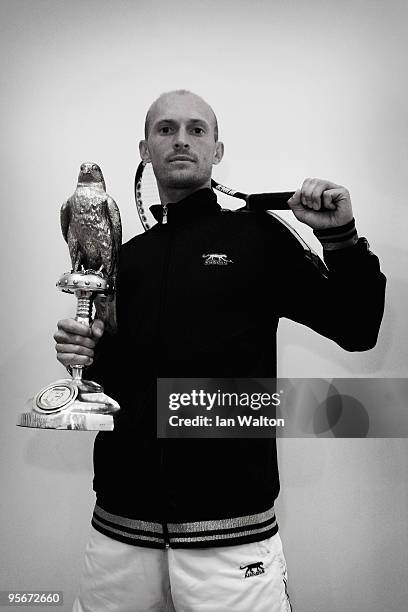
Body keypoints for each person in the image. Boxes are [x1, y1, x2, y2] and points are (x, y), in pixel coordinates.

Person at [55, 90, 386, 612]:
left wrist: (340, 237)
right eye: (165, 130)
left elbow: (358, 326)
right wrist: (85, 356)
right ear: (144, 149)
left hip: (232, 540)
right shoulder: (126, 259)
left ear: (218, 150)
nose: (181, 140)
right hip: (118, 533)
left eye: (196, 129)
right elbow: (121, 387)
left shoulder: (257, 236)